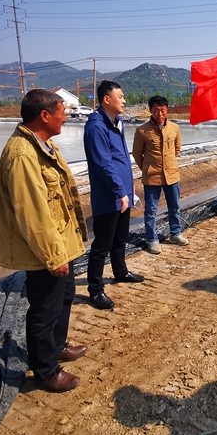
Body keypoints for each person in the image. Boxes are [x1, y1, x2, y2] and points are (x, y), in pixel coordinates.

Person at [0, 89, 88, 393]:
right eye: (62, 112)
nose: (66, 117)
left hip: (61, 241)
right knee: (44, 310)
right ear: (45, 116)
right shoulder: (23, 154)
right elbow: (32, 213)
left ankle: (57, 346)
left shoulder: (43, 145)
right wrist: (53, 256)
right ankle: (45, 371)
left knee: (64, 297)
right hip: (45, 250)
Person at [83, 81, 144, 311]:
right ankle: (95, 290)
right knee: (102, 245)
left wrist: (129, 189)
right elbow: (103, 164)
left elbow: (121, 159)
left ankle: (120, 271)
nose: (124, 101)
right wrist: (119, 191)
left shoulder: (118, 122)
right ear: (106, 99)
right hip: (109, 196)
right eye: (121, 96)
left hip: (123, 193)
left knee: (120, 237)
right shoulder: (96, 127)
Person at [133, 95, 188, 255]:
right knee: (151, 209)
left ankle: (175, 233)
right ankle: (152, 239)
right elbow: (137, 154)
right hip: (152, 176)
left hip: (171, 174)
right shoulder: (142, 130)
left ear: (167, 110)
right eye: (156, 110)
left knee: (174, 205)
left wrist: (168, 163)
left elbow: (177, 149)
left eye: (162, 110)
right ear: (151, 110)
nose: (160, 114)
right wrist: (147, 168)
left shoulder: (174, 128)